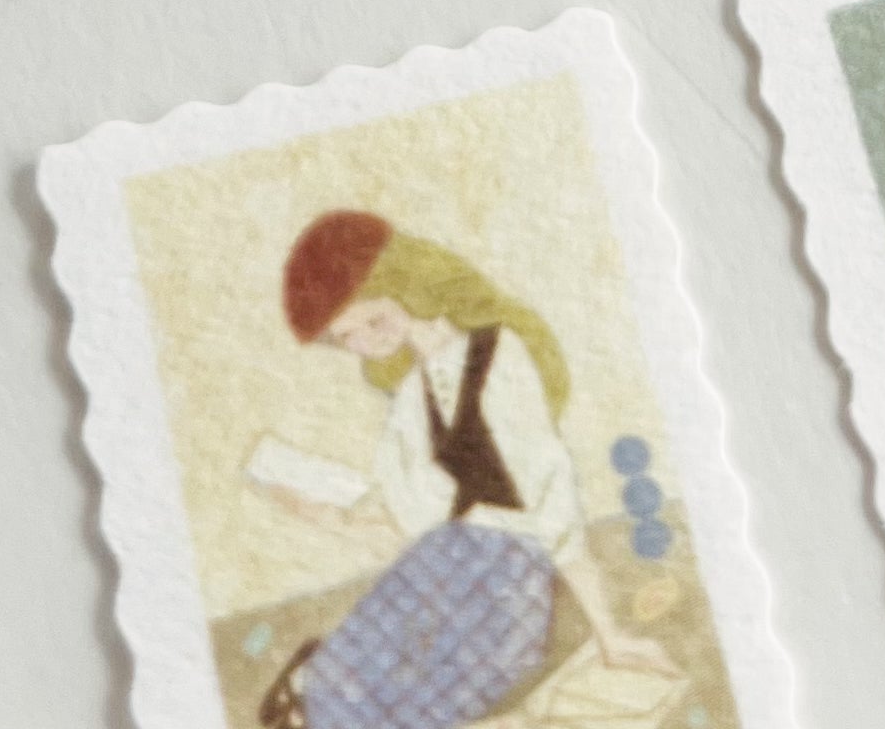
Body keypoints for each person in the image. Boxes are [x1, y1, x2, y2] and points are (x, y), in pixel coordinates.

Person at [257, 210, 677, 729]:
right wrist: (328, 515)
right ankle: (313, 689)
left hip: (508, 587)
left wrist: (609, 633)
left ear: (409, 287)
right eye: (348, 338)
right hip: (438, 567)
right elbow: (415, 522)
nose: (366, 343)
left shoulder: (499, 356)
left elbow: (553, 497)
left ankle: (316, 694)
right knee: (348, 683)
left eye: (374, 321)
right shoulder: (410, 399)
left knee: (386, 705)